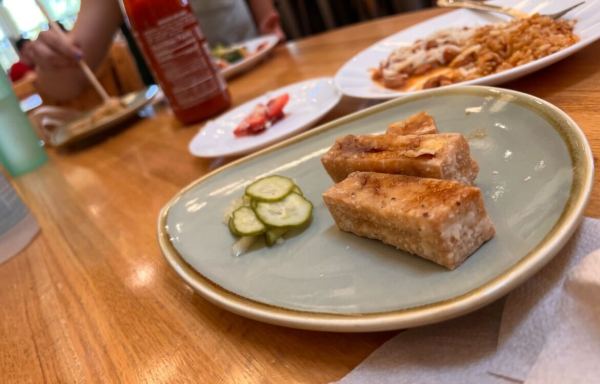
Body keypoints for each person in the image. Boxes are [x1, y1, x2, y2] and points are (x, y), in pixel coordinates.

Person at [28, 0, 284, 101]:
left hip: (268, 85)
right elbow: (67, 84)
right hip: (191, 116)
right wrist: (51, 57)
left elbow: (268, 26)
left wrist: (269, 25)